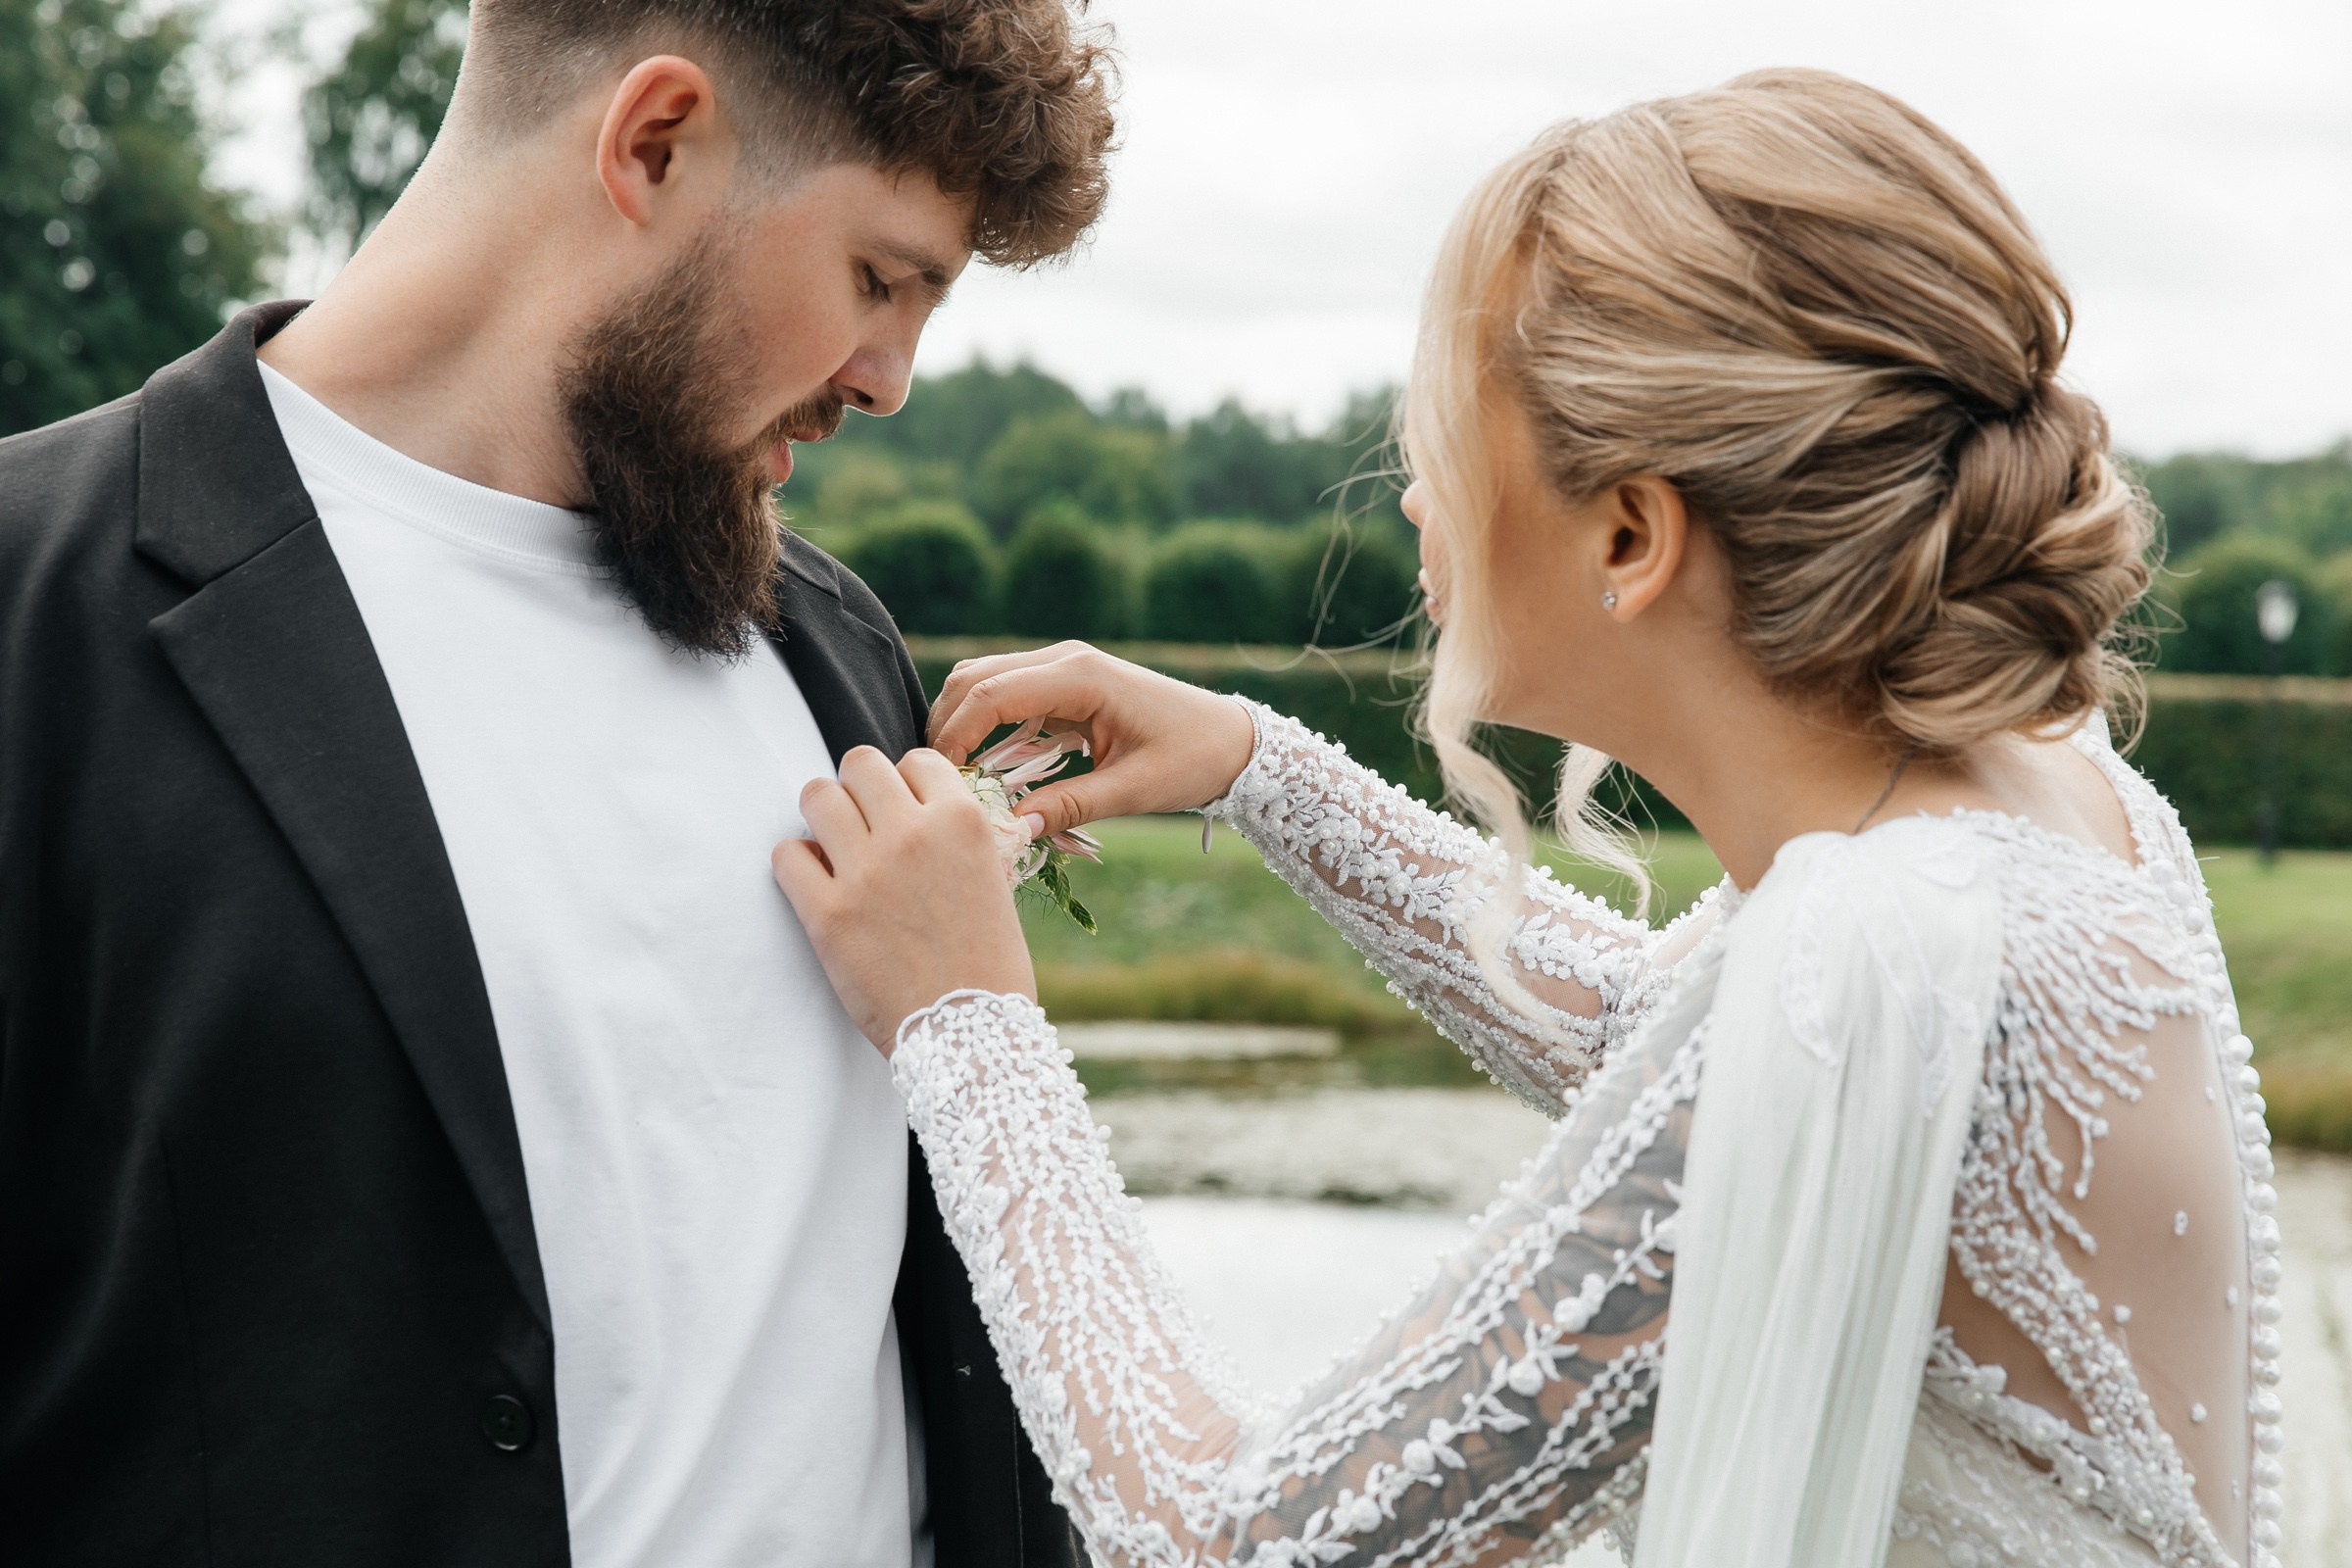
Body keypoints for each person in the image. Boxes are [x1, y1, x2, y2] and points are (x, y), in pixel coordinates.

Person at [772, 70, 2280, 1568]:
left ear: (1630, 533)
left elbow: (1234, 1536)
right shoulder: (2060, 800)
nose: (1415, 498)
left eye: (1442, 433)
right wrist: (1257, 768)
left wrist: (963, 1019)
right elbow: (1677, 1043)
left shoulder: (1871, 958)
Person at [0, 3, 1110, 1564]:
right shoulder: (26, 617)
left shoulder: (842, 654)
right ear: (654, 144)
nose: (890, 379)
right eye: (879, 277)